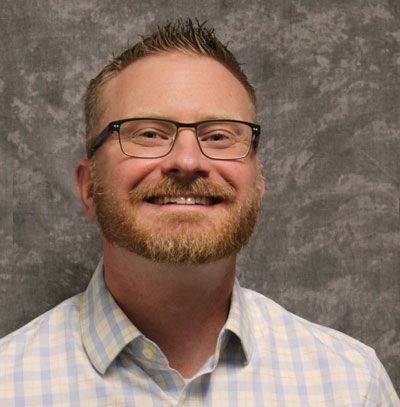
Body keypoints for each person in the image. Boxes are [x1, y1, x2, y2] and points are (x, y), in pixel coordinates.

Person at [0, 18, 398, 406]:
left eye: (219, 136)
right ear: (88, 188)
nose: (187, 161)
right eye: (149, 134)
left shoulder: (351, 385)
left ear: (258, 185)